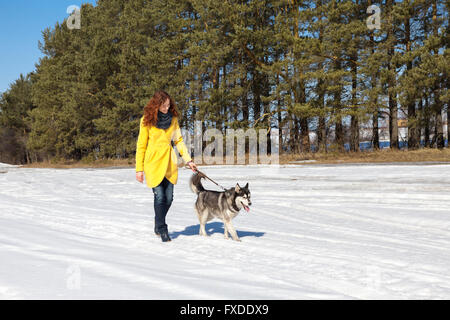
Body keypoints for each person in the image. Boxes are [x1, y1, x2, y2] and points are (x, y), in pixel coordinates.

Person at [135, 90, 197, 242]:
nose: (166, 108)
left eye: (168, 105)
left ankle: (158, 221)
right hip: (153, 162)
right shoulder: (146, 120)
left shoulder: (173, 119)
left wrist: (188, 160)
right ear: (156, 105)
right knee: (160, 196)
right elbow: (141, 145)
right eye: (163, 106)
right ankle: (162, 228)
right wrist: (139, 169)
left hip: (169, 162)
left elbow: (179, 141)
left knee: (169, 198)